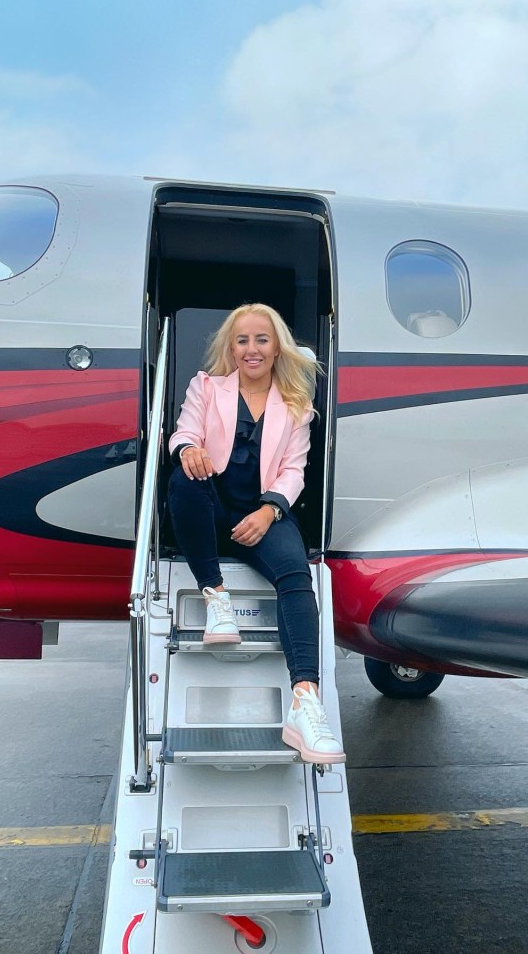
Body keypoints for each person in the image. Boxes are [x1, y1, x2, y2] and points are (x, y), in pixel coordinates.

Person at [167, 302, 345, 764]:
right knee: (183, 476)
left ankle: (305, 702)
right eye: (243, 340)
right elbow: (183, 432)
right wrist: (189, 449)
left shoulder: (296, 407)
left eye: (261, 339)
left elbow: (294, 471)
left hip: (260, 515)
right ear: (231, 347)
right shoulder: (206, 387)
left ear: (276, 347)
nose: (252, 349)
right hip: (210, 506)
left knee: (295, 575)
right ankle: (216, 598)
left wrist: (269, 511)